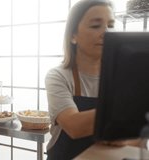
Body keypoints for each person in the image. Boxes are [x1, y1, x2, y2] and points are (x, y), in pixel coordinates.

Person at [45, 0, 143, 159]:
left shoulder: (122, 78)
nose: (106, 32)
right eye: (96, 26)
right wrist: (129, 110)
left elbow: (137, 137)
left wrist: (124, 138)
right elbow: (74, 126)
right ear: (73, 36)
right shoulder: (58, 76)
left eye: (110, 25)